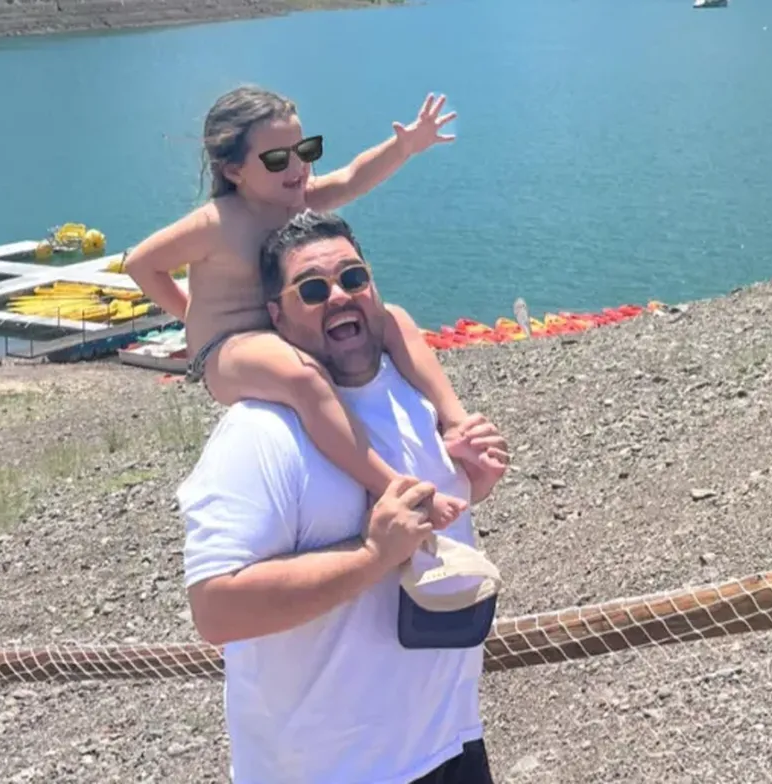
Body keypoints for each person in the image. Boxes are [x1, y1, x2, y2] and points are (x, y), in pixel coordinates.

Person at [177, 210, 510, 784]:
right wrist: (371, 556)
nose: (339, 296)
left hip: (450, 744)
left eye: (353, 278)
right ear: (277, 316)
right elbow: (216, 610)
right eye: (312, 289)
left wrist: (472, 479)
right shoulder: (261, 432)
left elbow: (430, 523)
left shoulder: (414, 394)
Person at [127, 85, 472, 529]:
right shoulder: (217, 222)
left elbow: (352, 178)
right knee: (304, 377)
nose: (297, 167)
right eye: (277, 160)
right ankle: (392, 486)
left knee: (395, 320)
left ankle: (457, 421)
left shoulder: (300, 200)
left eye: (305, 151)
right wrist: (192, 318)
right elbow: (142, 264)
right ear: (234, 170)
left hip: (283, 330)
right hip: (229, 348)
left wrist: (404, 146)